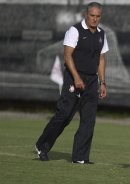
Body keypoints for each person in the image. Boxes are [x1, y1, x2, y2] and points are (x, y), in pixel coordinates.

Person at [35, 2, 108, 164]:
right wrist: (76, 77)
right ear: (86, 14)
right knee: (64, 115)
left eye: (98, 16)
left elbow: (101, 59)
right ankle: (42, 146)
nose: (95, 19)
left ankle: (80, 157)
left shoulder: (102, 34)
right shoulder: (75, 30)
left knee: (89, 120)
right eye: (92, 16)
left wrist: (103, 82)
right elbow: (67, 56)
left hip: (92, 81)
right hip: (73, 78)